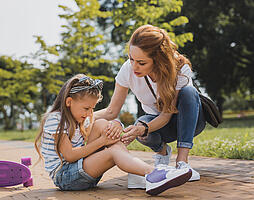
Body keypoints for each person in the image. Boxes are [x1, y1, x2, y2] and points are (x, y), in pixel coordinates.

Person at [34, 74, 192, 195]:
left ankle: (139, 172)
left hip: (83, 170)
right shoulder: (56, 119)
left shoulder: (80, 118)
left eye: (92, 109)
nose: (90, 113)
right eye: (86, 108)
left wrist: (116, 125)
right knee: (112, 150)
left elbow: (104, 124)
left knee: (103, 124)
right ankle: (151, 173)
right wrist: (103, 141)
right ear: (69, 102)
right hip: (65, 177)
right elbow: (69, 156)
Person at [94, 25, 206, 188]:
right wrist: (76, 116)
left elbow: (166, 116)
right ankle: (161, 155)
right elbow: (112, 111)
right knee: (141, 126)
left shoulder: (180, 68)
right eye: (131, 59)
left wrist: (143, 128)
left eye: (141, 62)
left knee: (189, 92)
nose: (134, 67)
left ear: (159, 60)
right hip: (157, 123)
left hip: (188, 121)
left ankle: (182, 163)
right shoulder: (128, 69)